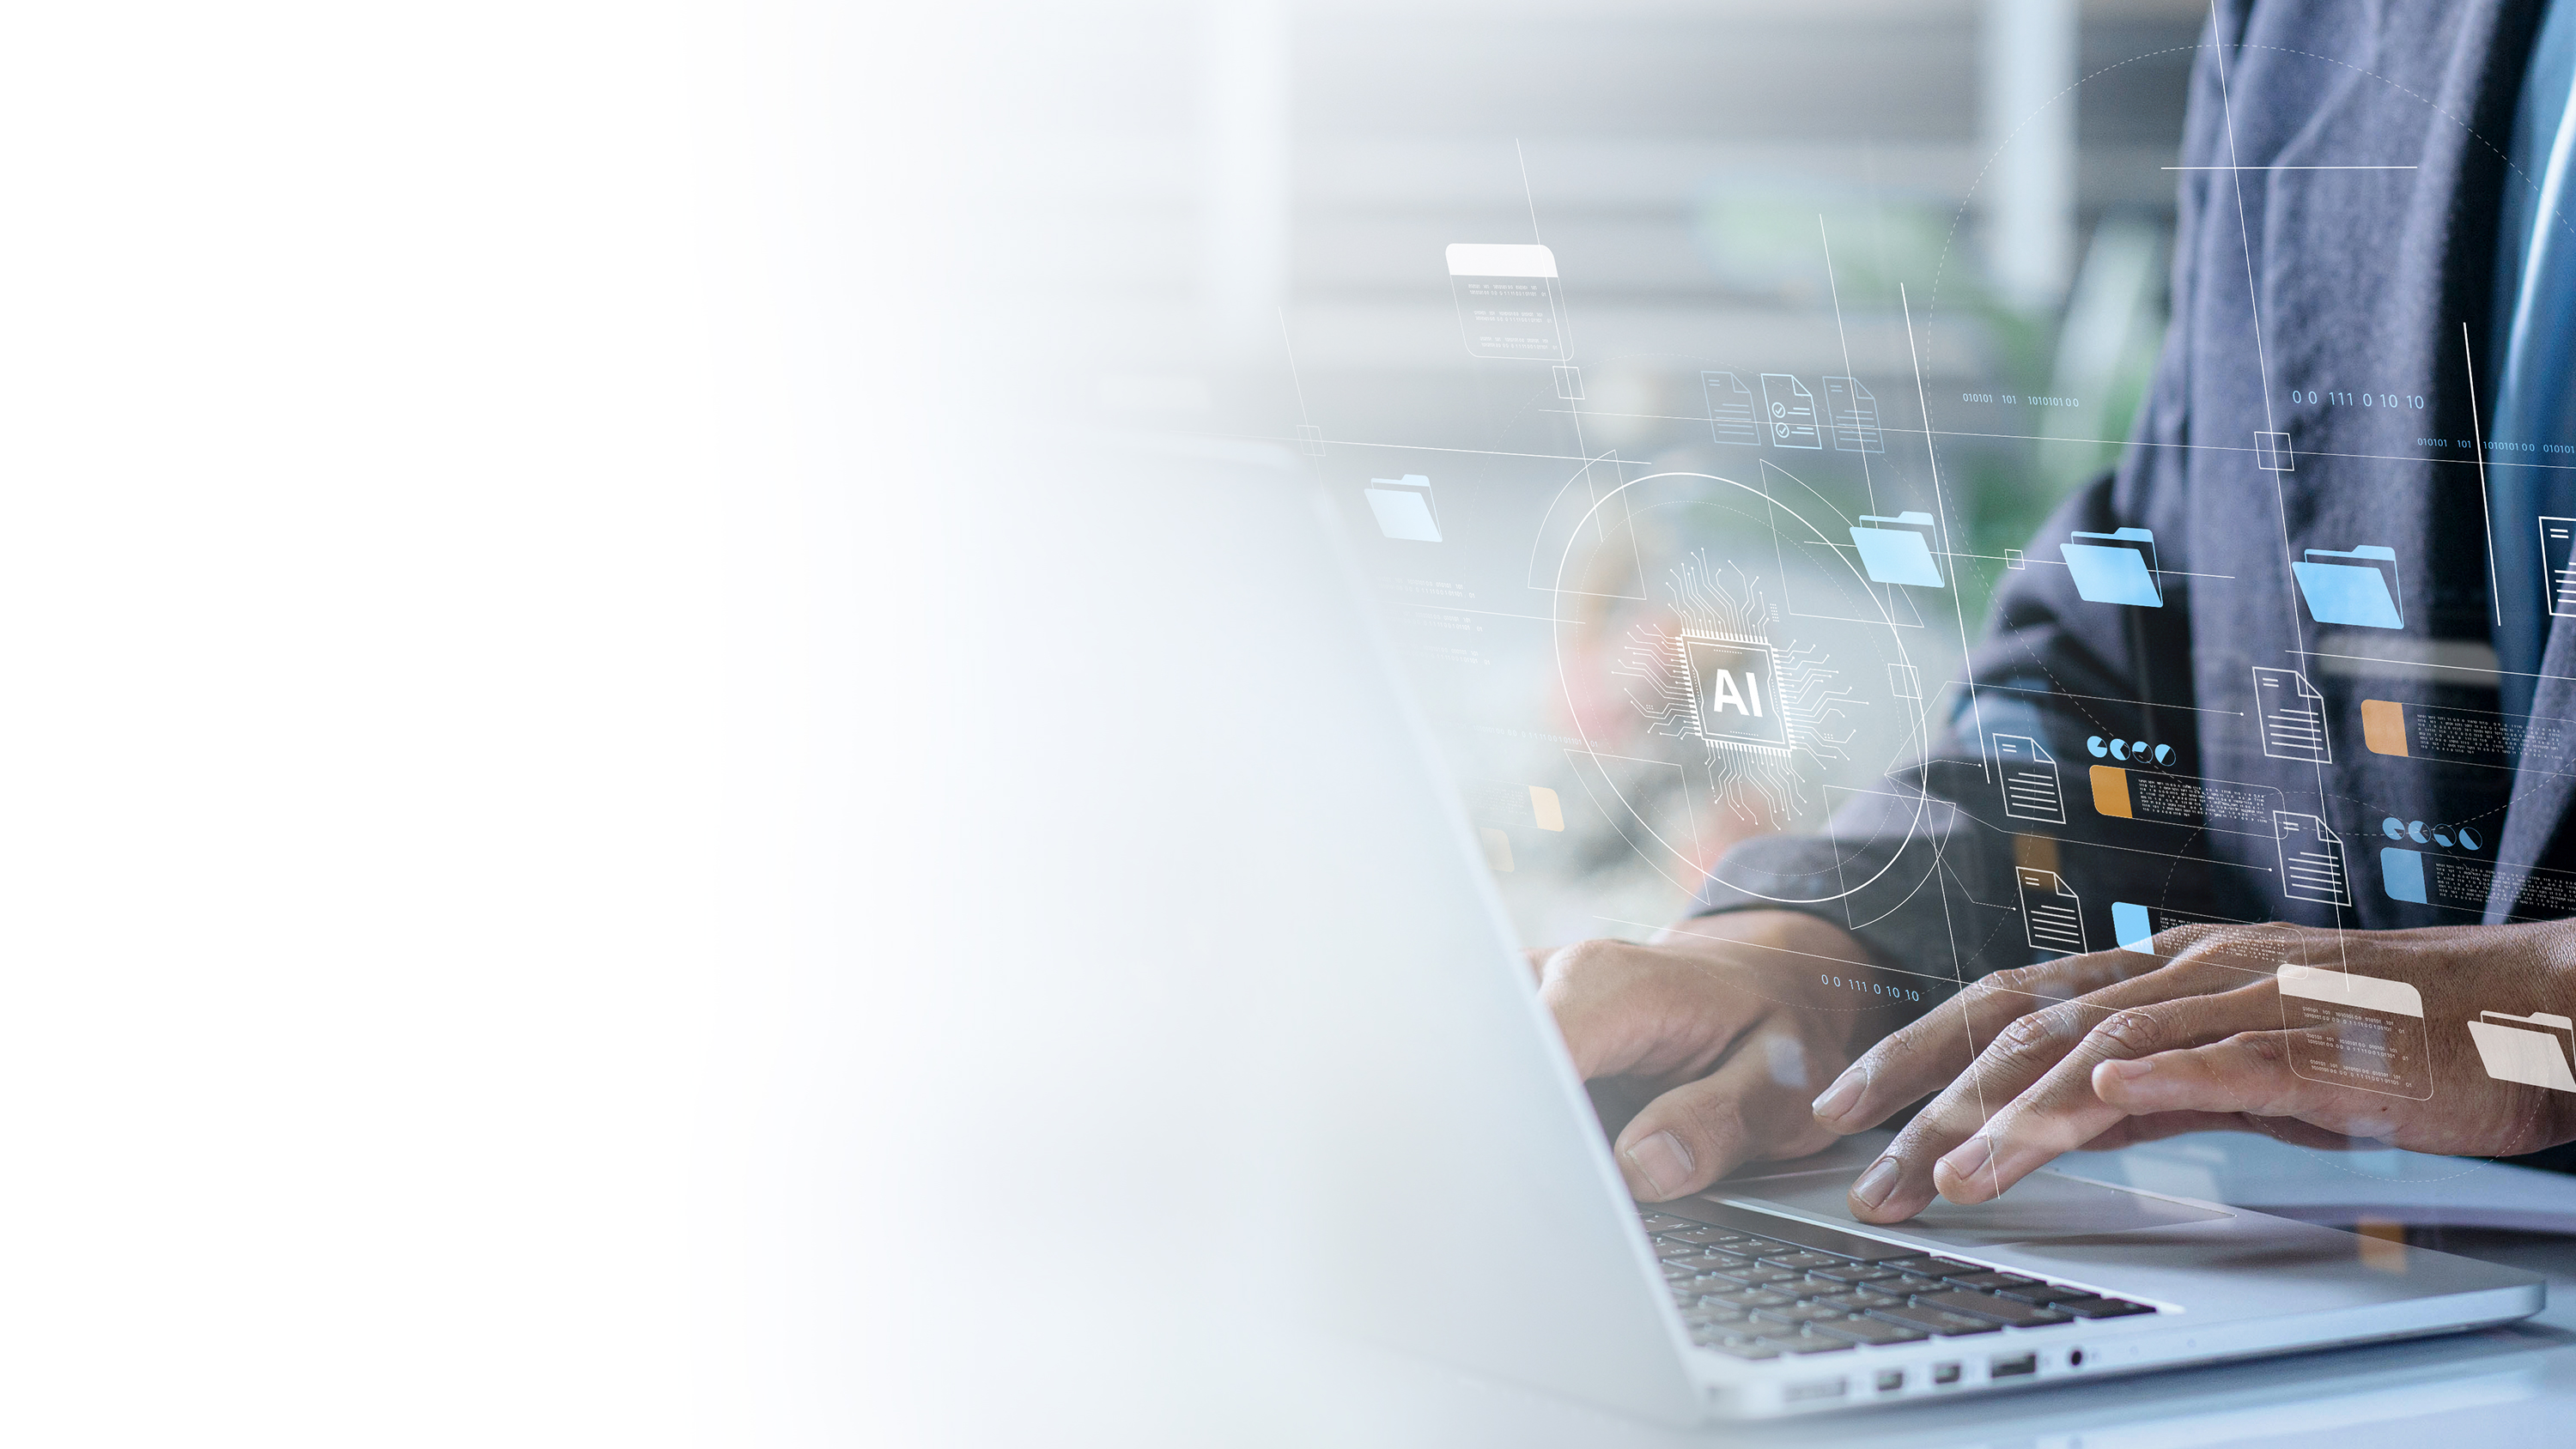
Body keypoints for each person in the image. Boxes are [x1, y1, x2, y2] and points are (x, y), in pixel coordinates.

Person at [1533, 0, 2576, 1224]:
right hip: (2370, 1325)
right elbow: (2145, 656)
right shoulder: (2317, 27)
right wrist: (1831, 952)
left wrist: (2545, 1015)